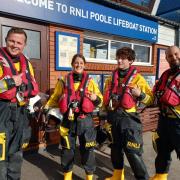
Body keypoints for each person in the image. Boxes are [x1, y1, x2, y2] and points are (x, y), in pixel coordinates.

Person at [103, 47, 153, 180]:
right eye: (118, 58)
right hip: (113, 118)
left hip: (129, 120)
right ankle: (118, 175)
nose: (119, 60)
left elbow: (151, 99)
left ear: (131, 61)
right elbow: (105, 99)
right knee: (115, 149)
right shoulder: (110, 78)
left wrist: (140, 94)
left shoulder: (138, 79)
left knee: (133, 153)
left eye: (123, 58)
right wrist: (104, 115)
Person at [51, 53, 103, 180]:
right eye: (76, 62)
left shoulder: (90, 82)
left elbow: (100, 100)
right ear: (72, 65)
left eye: (81, 63)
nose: (78, 65)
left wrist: (95, 98)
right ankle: (67, 176)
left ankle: (89, 177)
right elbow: (54, 98)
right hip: (68, 121)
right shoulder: (63, 81)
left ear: (84, 65)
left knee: (88, 150)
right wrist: (48, 111)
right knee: (67, 149)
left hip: (86, 121)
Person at [0, 27, 39, 180]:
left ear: (24, 45)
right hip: (2, 111)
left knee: (16, 153)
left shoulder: (26, 64)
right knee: (1, 155)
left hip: (20, 111)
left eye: (19, 42)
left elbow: (33, 86)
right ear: (6, 40)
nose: (15, 45)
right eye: (12, 41)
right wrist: (10, 82)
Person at [150, 46, 180, 180]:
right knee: (162, 151)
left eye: (176, 54)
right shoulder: (165, 74)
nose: (173, 57)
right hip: (164, 120)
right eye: (170, 56)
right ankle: (160, 177)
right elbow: (155, 94)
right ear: (166, 58)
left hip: (178, 122)